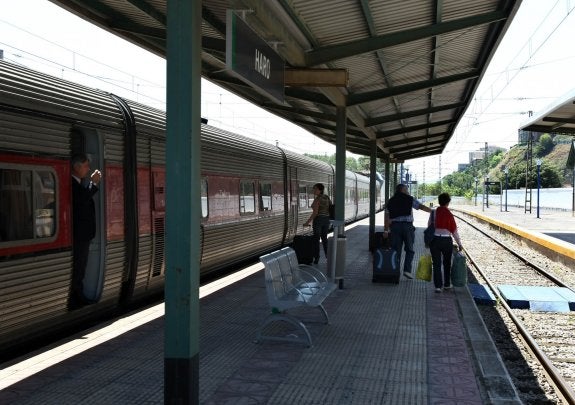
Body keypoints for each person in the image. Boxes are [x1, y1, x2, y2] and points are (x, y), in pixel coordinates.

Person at [70, 153, 101, 308]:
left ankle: (78, 295)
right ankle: (76, 298)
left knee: (81, 267)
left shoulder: (78, 183)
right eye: (86, 165)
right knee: (78, 266)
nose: (88, 169)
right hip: (79, 235)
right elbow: (81, 200)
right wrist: (93, 184)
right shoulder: (72, 184)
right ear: (76, 167)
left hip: (83, 235)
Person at [383, 183, 432, 279]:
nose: (408, 191)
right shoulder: (409, 199)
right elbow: (420, 206)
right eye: (406, 189)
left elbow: (387, 217)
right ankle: (407, 270)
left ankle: (395, 272)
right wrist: (432, 211)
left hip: (395, 227)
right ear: (402, 190)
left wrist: (386, 230)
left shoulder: (391, 201)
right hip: (407, 227)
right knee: (410, 249)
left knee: (396, 250)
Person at [429, 192, 463, 293]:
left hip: (435, 240)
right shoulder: (449, 214)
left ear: (439, 202)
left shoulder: (433, 212)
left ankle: (438, 286)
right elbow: (454, 231)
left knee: (436, 263)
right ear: (448, 202)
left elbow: (429, 227)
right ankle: (447, 284)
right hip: (446, 241)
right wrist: (459, 243)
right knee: (447, 263)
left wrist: (428, 240)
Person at [303, 183, 331, 264]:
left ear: (320, 190)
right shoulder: (327, 198)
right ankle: (328, 256)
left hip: (318, 220)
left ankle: (317, 258)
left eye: (315, 189)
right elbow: (330, 208)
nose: (314, 190)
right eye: (314, 188)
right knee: (324, 239)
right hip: (326, 220)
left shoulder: (318, 199)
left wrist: (307, 222)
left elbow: (315, 213)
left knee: (316, 239)